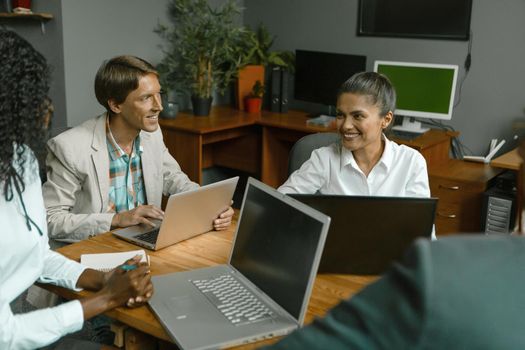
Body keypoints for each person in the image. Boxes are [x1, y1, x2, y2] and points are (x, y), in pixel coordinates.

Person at [0, 29, 153, 350]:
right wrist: (107, 299)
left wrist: (104, 278)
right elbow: (6, 334)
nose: (46, 105)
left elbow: (38, 256)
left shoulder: (21, 160)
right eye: (30, 94)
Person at [42, 55, 234, 242]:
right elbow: (51, 219)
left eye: (159, 94)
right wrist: (116, 220)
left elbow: (172, 178)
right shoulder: (69, 148)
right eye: (146, 98)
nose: (159, 106)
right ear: (116, 105)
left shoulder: (151, 133)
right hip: (97, 248)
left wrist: (211, 205)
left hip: (146, 240)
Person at [278, 72, 429, 198]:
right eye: (340, 115)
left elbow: (423, 229)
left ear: (385, 120)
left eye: (358, 116)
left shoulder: (411, 163)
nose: (345, 126)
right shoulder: (325, 159)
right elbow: (281, 201)